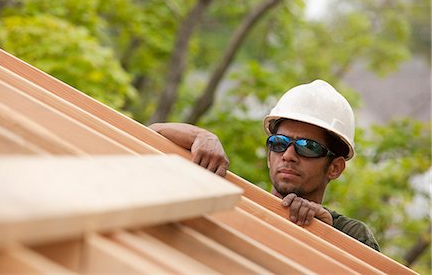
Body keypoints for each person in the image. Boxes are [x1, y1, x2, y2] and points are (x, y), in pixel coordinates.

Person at [150, 79, 380, 251]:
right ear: (269, 154)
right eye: (279, 143)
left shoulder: (353, 236)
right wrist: (200, 136)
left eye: (307, 147)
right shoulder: (237, 204)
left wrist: (325, 236)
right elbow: (150, 136)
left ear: (335, 167)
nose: (288, 155)